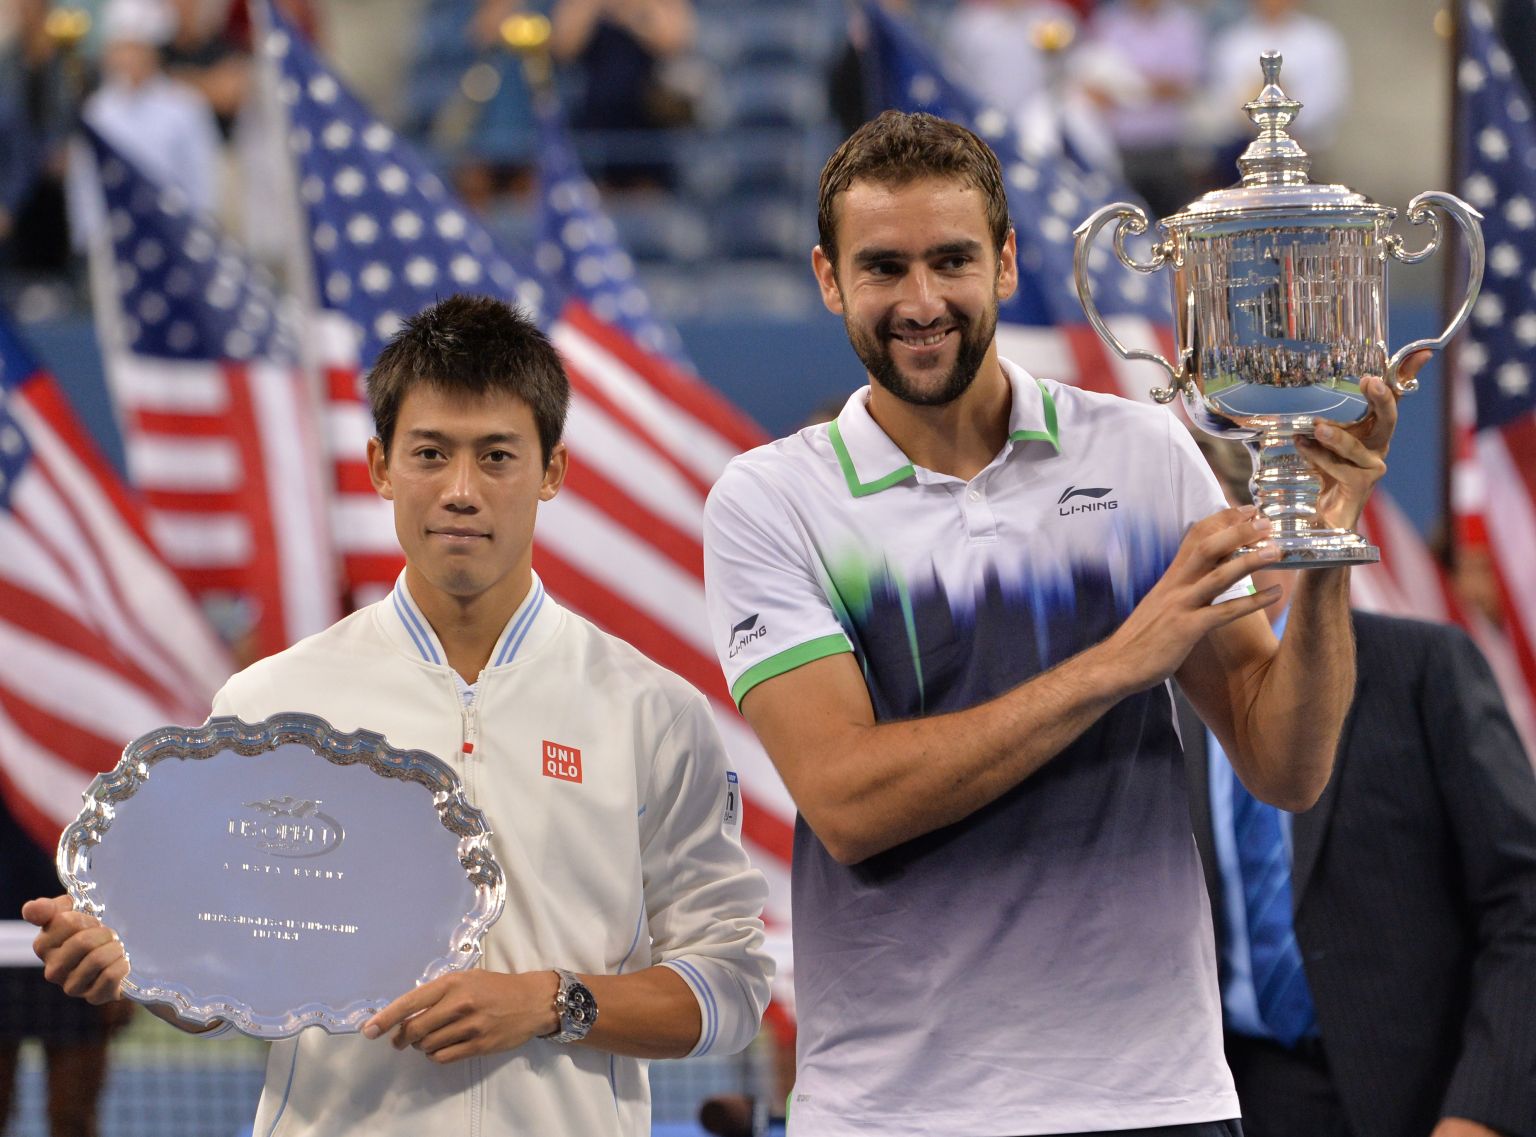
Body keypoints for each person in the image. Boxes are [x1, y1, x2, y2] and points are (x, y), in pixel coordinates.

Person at [701, 110, 1418, 1136]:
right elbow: (849, 800)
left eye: (952, 260)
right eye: (883, 268)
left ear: (1005, 263)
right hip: (896, 1111)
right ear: (829, 279)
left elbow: (1284, 766)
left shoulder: (1143, 451)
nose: (921, 301)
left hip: (1155, 1096)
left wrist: (1329, 556)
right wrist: (1119, 662)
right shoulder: (770, 500)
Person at [25, 294, 774, 1137]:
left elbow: (732, 985)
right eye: (430, 453)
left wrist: (550, 1002)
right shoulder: (270, 704)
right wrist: (145, 964)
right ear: (381, 465)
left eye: (497, 455)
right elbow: (220, 985)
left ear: (553, 471)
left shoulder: (654, 712)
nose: (460, 490)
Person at [1181, 436, 1536, 1137]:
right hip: (1234, 1100)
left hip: (1424, 1101)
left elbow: (1522, 902)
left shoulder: (1422, 668)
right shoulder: (1166, 696)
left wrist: (1482, 1112)